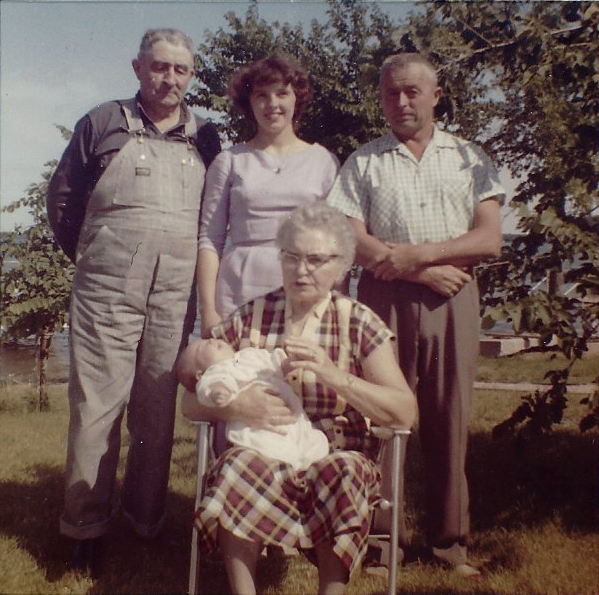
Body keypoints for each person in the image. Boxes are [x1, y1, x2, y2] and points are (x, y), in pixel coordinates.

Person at [46, 28, 220, 575]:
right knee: (98, 405)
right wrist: (96, 255)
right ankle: (86, 528)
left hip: (175, 289)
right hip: (106, 286)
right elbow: (64, 199)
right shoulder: (102, 123)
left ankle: (146, 520)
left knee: (157, 403)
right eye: (159, 67)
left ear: (191, 76)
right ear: (138, 68)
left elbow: (214, 216)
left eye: (181, 70)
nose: (170, 78)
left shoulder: (206, 137)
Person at [327, 53, 504, 577]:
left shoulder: (471, 158)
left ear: (436, 94)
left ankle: (450, 545)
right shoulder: (364, 162)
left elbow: (489, 238)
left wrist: (419, 256)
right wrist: (416, 271)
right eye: (390, 93)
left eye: (411, 92)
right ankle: (384, 546)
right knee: (384, 416)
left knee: (450, 416)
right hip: (384, 301)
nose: (401, 102)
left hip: (455, 299)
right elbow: (351, 240)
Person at [182, 202, 416, 595]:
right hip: (265, 452)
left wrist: (333, 375)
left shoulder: (358, 322)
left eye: (316, 260)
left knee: (344, 472)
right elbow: (189, 403)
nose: (301, 270)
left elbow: (405, 412)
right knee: (236, 466)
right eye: (291, 257)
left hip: (339, 453)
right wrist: (236, 406)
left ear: (342, 266)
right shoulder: (251, 317)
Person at [197, 54, 340, 337]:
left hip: (304, 282)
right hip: (239, 287)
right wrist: (208, 311)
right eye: (261, 95)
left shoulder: (323, 161)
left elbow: (337, 241)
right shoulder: (230, 160)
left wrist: (337, 299)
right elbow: (209, 240)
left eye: (282, 93)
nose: (272, 104)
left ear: (296, 98)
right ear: (248, 103)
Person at [176, 338, 329, 470]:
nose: (210, 340)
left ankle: (310, 468)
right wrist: (219, 392)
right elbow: (209, 387)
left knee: (314, 442)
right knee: (274, 451)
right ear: (200, 374)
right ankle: (291, 471)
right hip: (259, 431)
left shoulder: (249, 354)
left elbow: (274, 364)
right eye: (201, 347)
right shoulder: (217, 372)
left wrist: (290, 362)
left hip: (294, 420)